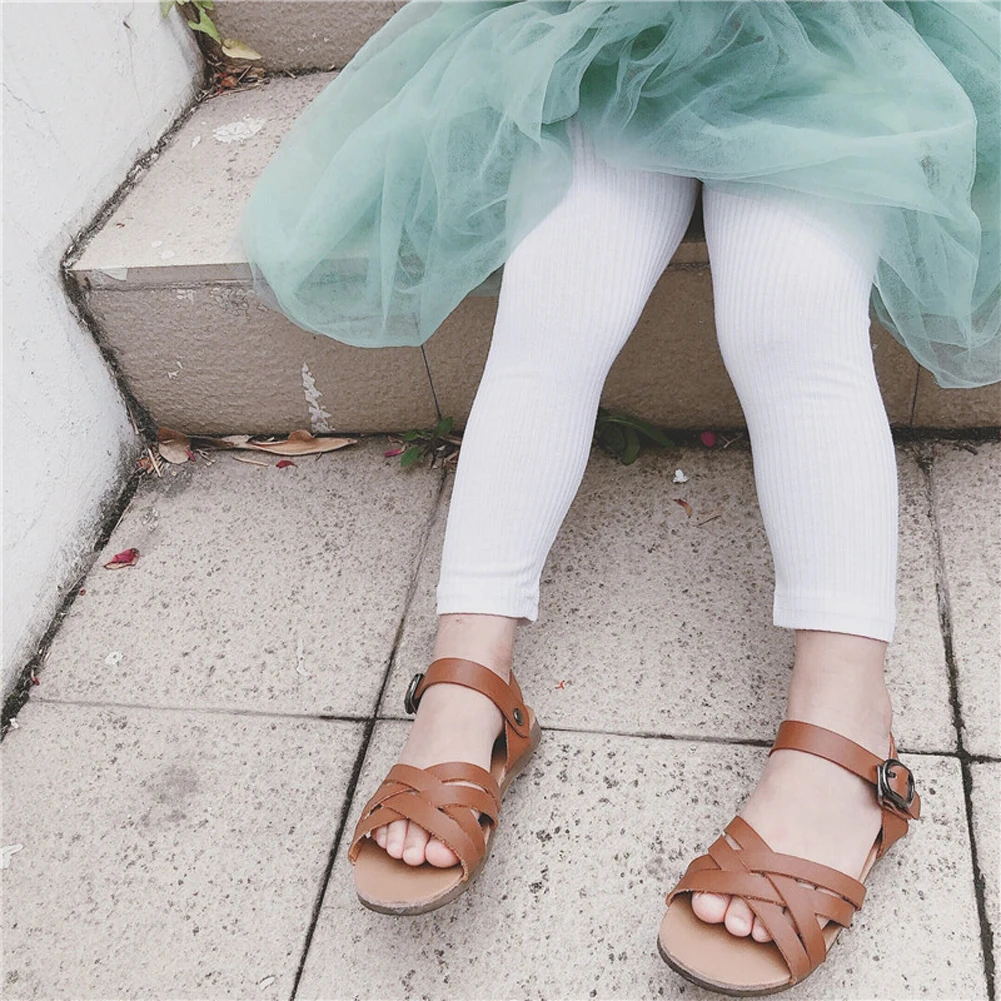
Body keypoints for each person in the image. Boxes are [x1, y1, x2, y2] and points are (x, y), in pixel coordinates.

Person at [240, 2, 997, 994]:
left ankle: (847, 715)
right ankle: (470, 673)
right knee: (554, 304)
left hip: (833, 29)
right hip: (603, 29)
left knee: (792, 314)